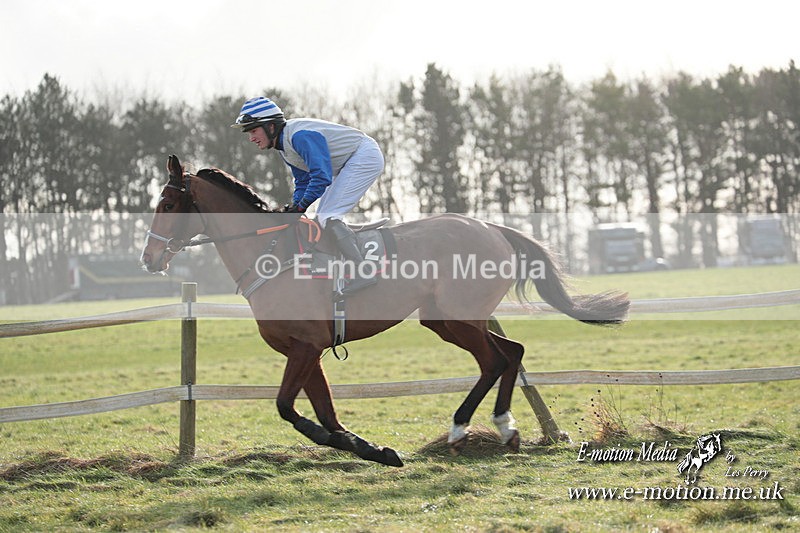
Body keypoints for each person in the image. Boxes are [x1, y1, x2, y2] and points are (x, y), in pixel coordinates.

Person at [231, 96, 383, 296]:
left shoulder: (299, 137)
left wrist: (301, 207)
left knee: (328, 216)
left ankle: (364, 272)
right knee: (323, 218)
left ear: (270, 126)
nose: (251, 138)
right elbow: (303, 181)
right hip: (347, 162)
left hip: (364, 156)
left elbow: (321, 177)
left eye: (253, 130)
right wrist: (294, 206)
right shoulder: (283, 146)